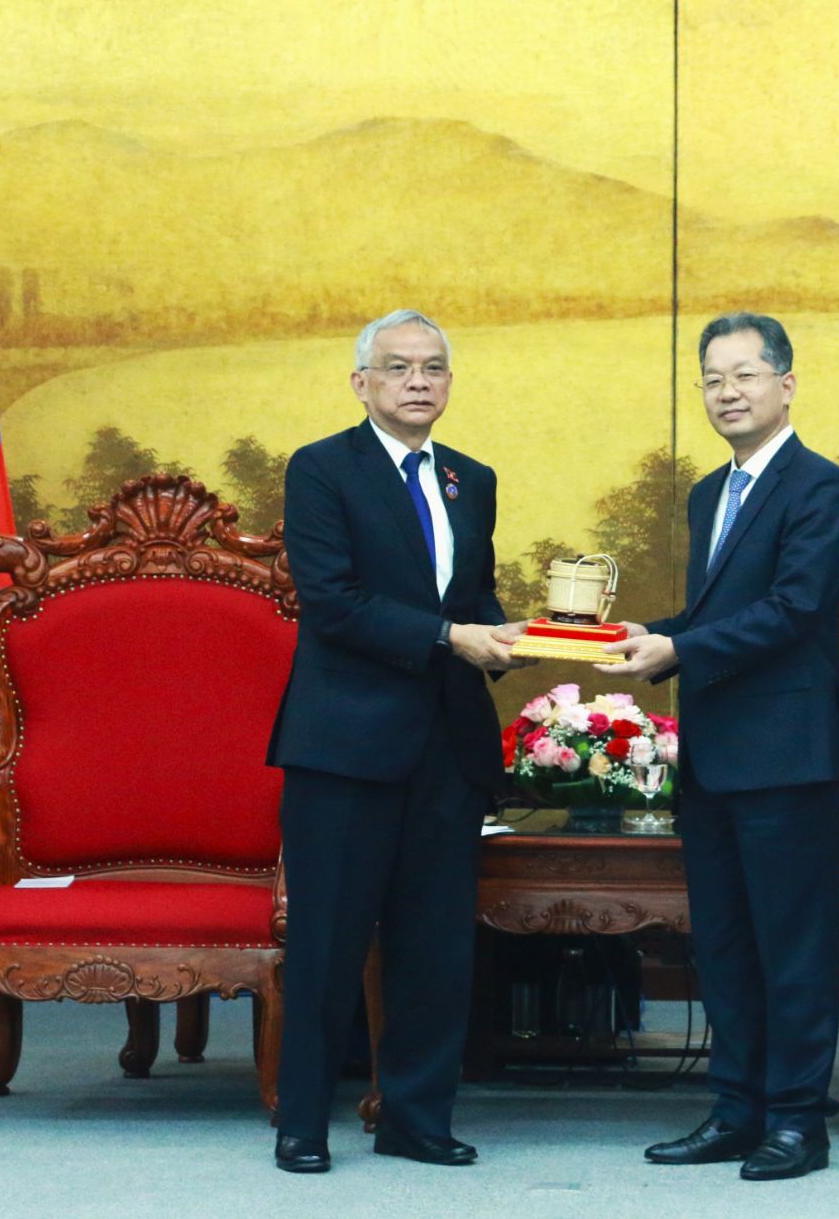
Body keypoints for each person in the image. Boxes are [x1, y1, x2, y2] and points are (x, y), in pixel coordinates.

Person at [598, 311, 839, 1182]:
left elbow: (791, 611)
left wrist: (682, 648)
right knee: (726, 945)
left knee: (793, 946)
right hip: (713, 755)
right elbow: (716, 618)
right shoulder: (711, 493)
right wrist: (651, 633)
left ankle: (795, 1120)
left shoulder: (820, 488)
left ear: (786, 384)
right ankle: (735, 1109)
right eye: (713, 379)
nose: (727, 393)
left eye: (745, 375)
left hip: (785, 754)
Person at [267, 309, 528, 1173]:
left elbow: (474, 597)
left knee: (435, 947)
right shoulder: (321, 469)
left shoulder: (471, 477)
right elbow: (333, 602)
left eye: (433, 367)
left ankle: (416, 1117)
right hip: (344, 747)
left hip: (447, 750)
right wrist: (452, 637)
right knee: (327, 944)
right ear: (362, 383)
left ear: (450, 382)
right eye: (398, 367)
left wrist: (539, 635)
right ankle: (303, 1122)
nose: (419, 380)